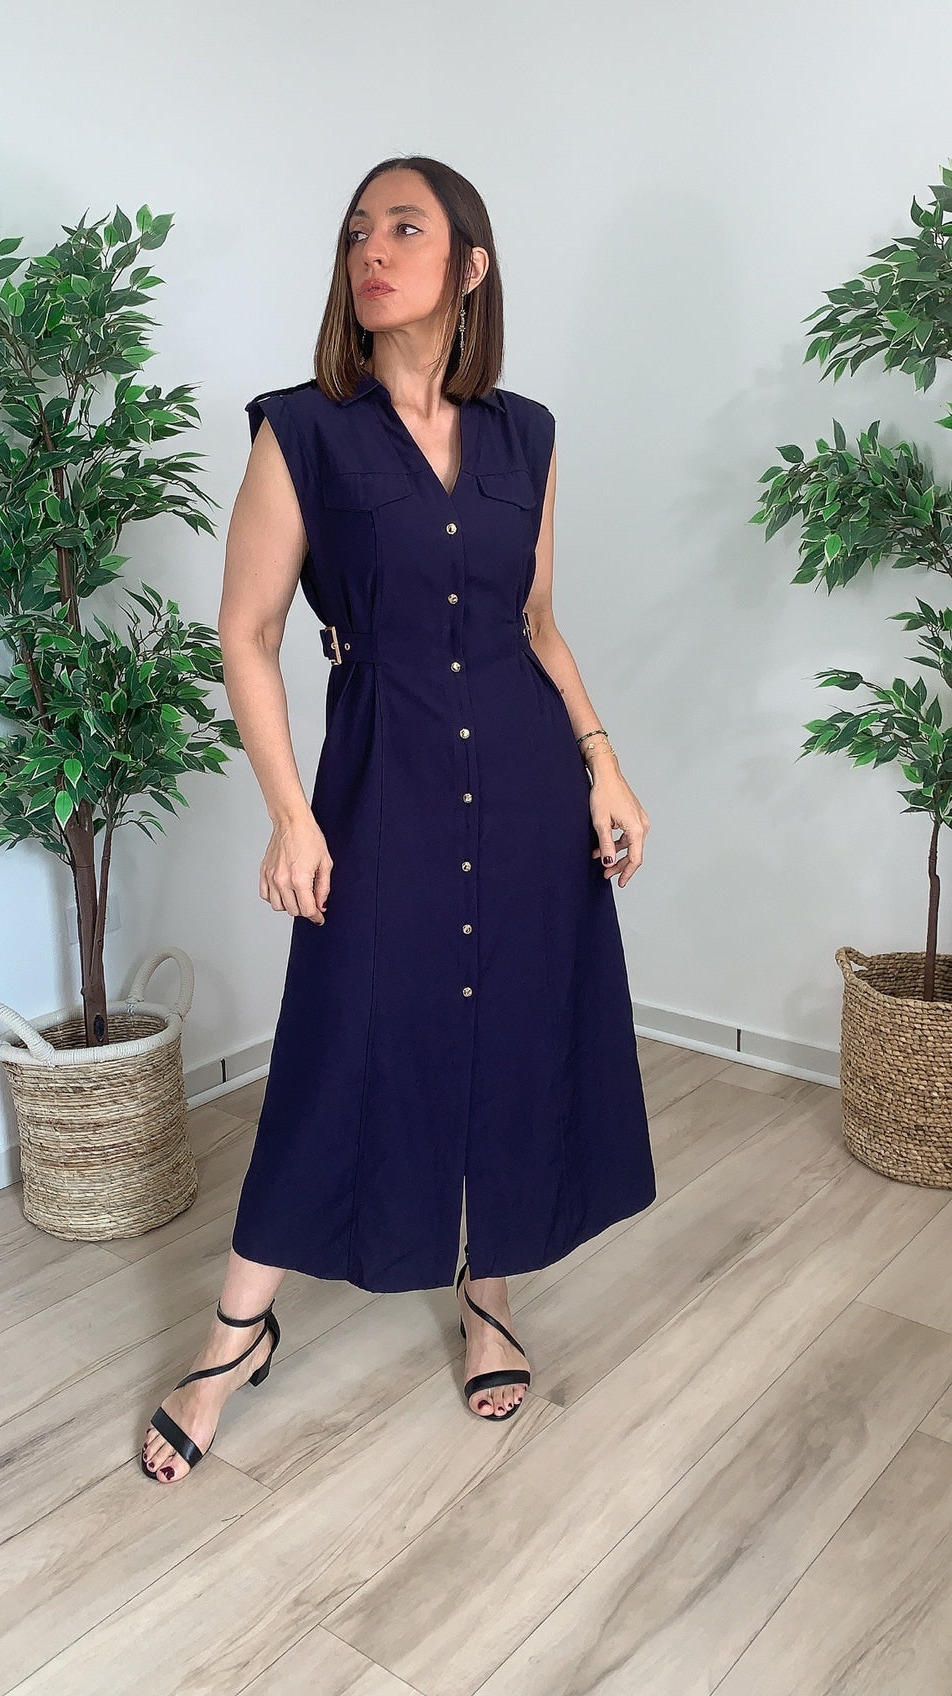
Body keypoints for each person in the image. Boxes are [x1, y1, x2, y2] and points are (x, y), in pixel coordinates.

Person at [141, 155, 656, 1483]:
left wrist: (602, 763)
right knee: (343, 1039)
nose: (372, 249)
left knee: (517, 1031)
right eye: (358, 231)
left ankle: (490, 1298)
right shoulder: (302, 432)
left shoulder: (527, 436)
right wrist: (290, 813)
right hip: (384, 781)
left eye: (406, 228)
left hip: (530, 783)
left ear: (469, 267)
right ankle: (235, 1336)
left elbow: (536, 622)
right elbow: (248, 632)